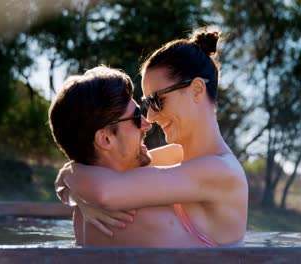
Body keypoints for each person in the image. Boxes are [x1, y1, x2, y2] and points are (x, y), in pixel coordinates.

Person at [56, 27, 249, 247]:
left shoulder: (222, 171)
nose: (151, 116)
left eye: (157, 101)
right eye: (146, 104)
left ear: (196, 90)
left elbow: (103, 190)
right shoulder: (174, 157)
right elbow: (70, 179)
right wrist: (79, 199)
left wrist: (78, 190)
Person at [48, 65, 206, 247]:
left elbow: (64, 178)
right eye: (136, 116)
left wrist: (74, 192)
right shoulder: (148, 216)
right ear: (105, 139)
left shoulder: (83, 209)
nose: (147, 124)